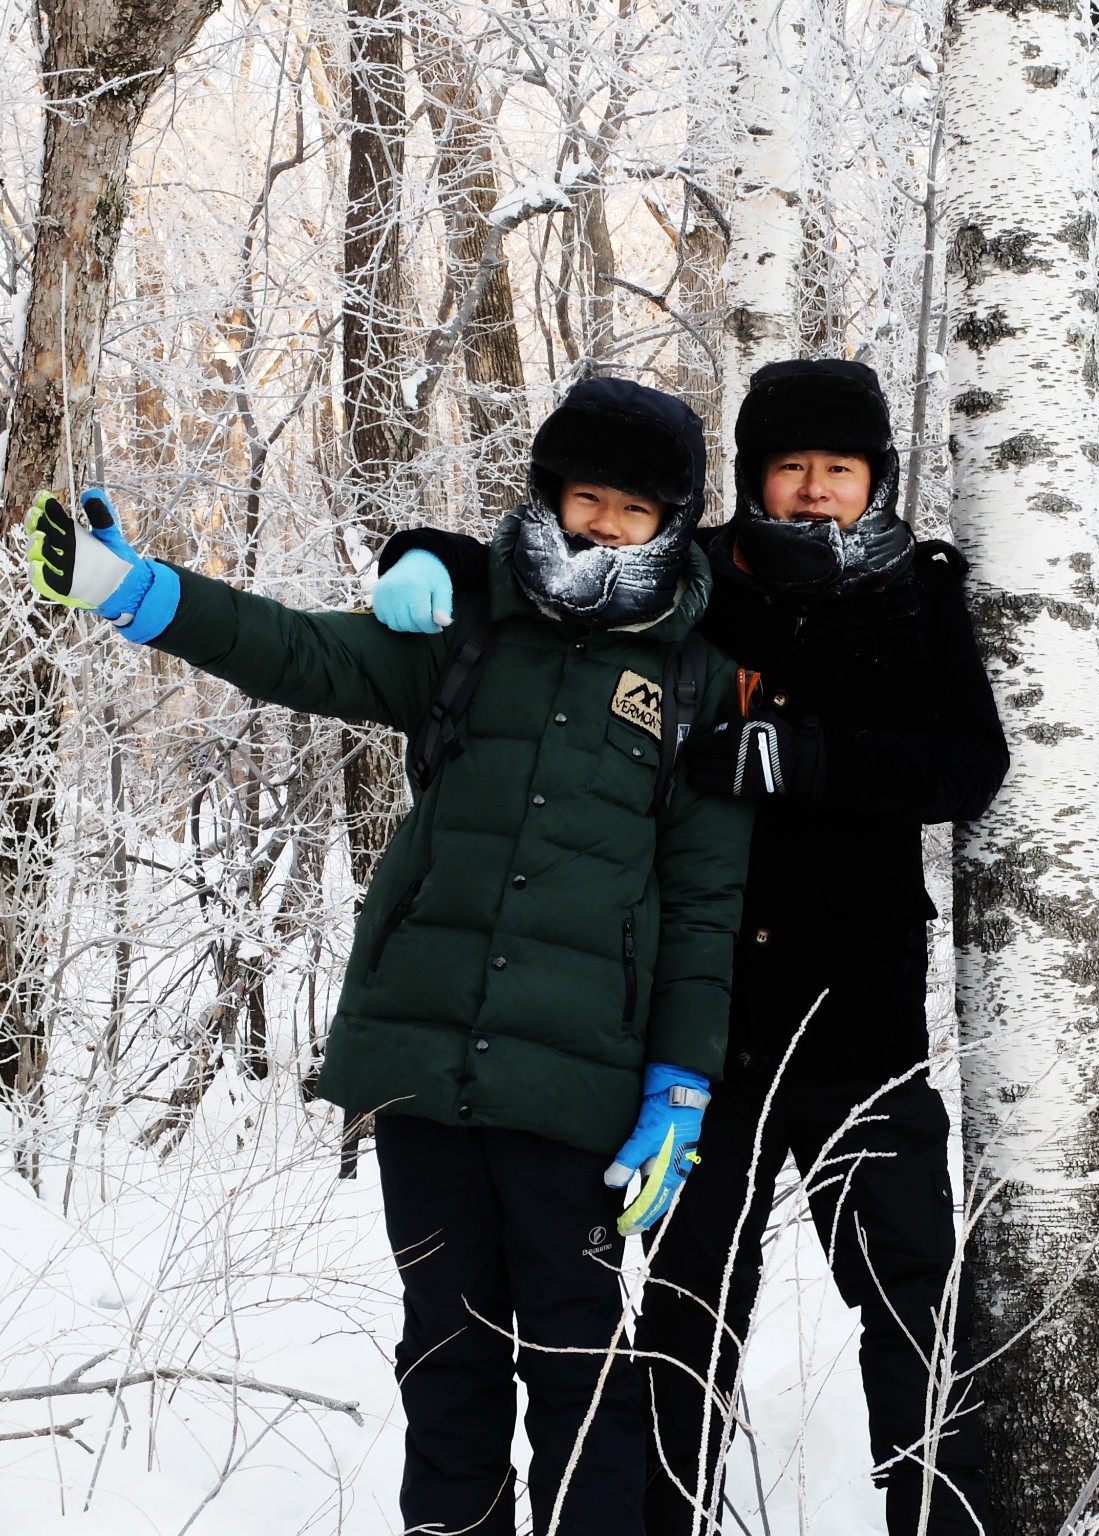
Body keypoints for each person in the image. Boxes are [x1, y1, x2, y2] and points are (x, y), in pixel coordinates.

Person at [23, 377, 757, 1536]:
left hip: (577, 1082)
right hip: (423, 1058)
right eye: (586, 497)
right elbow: (300, 656)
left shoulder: (698, 685)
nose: (603, 525)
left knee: (576, 1358)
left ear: (671, 521)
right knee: (446, 1356)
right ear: (549, 496)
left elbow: (707, 903)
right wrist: (139, 594)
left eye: (631, 508)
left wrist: (680, 1080)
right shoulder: (467, 631)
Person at [372, 359, 1009, 1534]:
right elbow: (545, 574)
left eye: (839, 469)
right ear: (754, 479)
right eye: (791, 467)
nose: (815, 491)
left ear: (875, 479)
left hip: (859, 1024)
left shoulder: (916, 596)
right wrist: (424, 550)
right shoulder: (700, 581)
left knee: (914, 1301)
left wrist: (809, 759)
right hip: (700, 1031)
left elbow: (967, 766)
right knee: (681, 1314)